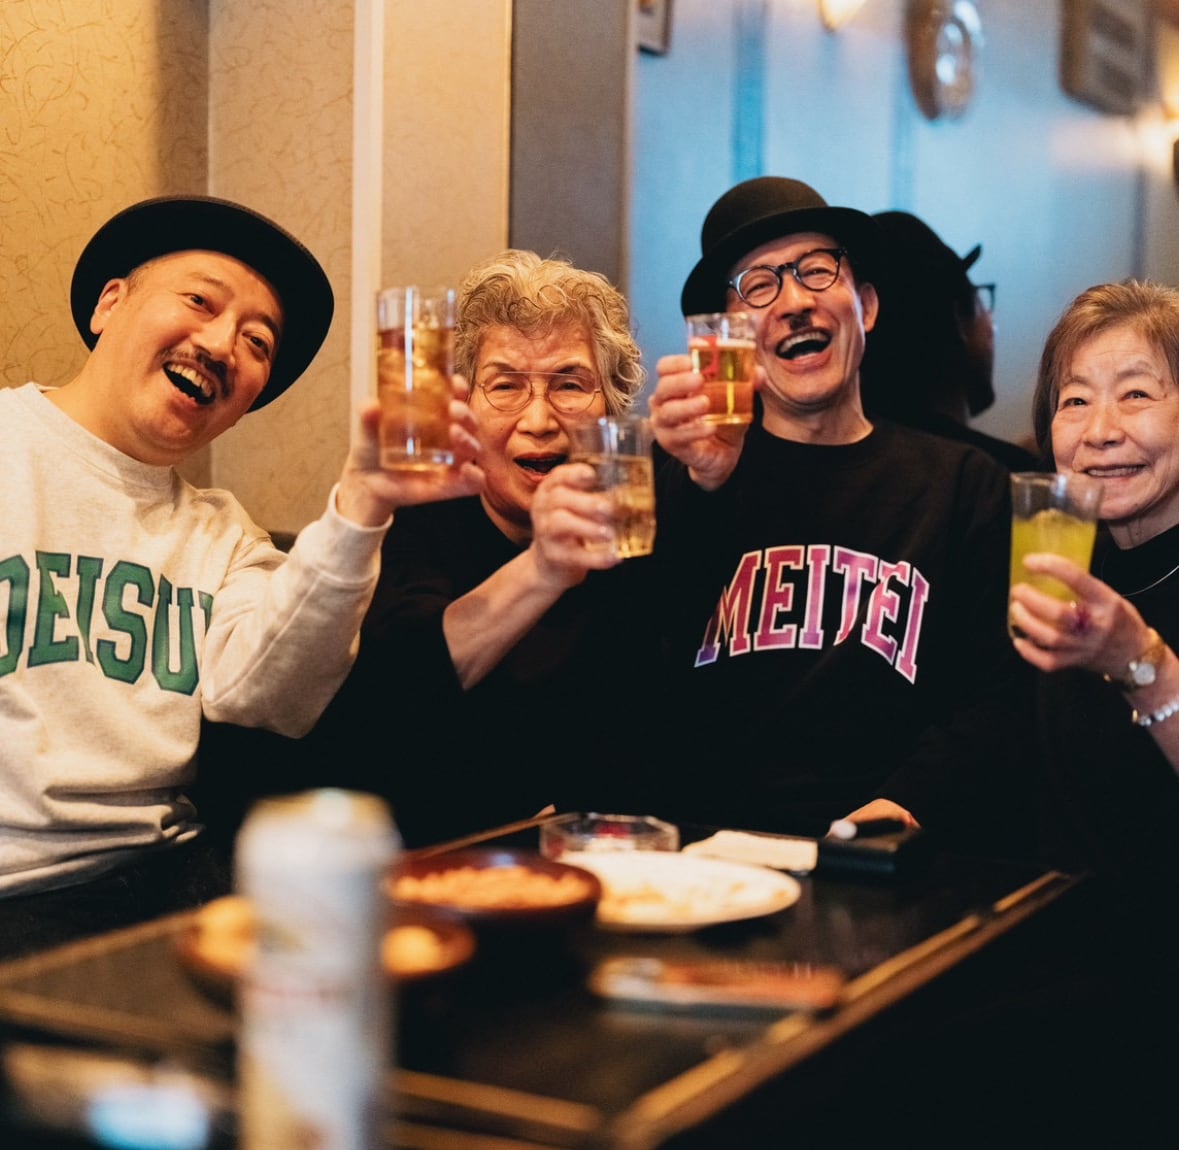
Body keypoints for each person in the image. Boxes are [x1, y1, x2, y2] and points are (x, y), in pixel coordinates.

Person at [0, 195, 482, 955]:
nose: (224, 344)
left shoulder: (224, 537)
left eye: (258, 342)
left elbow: (270, 697)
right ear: (109, 304)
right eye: (200, 301)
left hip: (178, 878)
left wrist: (362, 502)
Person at [648, 176, 1035, 849]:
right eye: (758, 285)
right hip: (706, 857)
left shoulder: (963, 485)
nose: (795, 302)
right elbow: (629, 672)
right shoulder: (674, 475)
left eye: (817, 270)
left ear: (867, 306)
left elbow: (999, 691)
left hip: (886, 857)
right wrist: (701, 485)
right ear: (723, 337)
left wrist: (906, 802)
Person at [302, 249, 656, 847]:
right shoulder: (415, 517)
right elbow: (397, 694)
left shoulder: (637, 521)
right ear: (462, 407)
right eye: (506, 386)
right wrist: (544, 568)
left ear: (612, 408)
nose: (539, 419)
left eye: (570, 385)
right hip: (435, 862)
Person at [859, 209, 1039, 472]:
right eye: (979, 299)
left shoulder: (842, 470)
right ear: (958, 317)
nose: (991, 325)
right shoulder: (1005, 478)